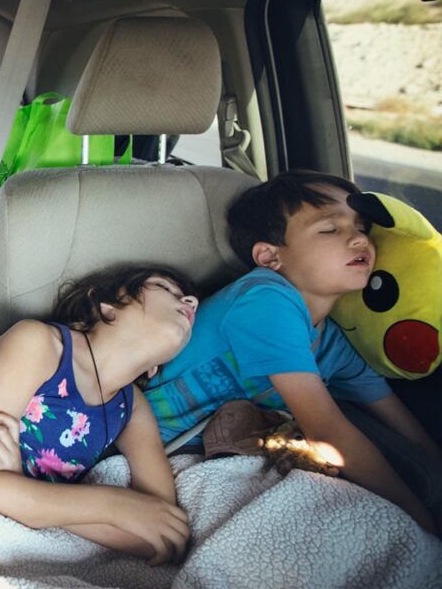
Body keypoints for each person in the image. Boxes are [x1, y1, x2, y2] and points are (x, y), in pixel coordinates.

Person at [145, 171, 441, 533]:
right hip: (153, 451)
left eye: (361, 227)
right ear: (270, 257)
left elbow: (403, 424)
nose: (358, 238)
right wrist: (422, 520)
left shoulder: (332, 341)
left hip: (221, 454)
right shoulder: (265, 299)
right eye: (330, 229)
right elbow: (326, 429)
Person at [0, 266, 198, 565]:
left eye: (188, 299)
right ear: (106, 307)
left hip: (11, 536)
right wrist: (113, 505)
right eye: (164, 287)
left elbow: (162, 536)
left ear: (154, 368)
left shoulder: (132, 408)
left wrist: (18, 486)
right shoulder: (39, 343)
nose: (190, 302)